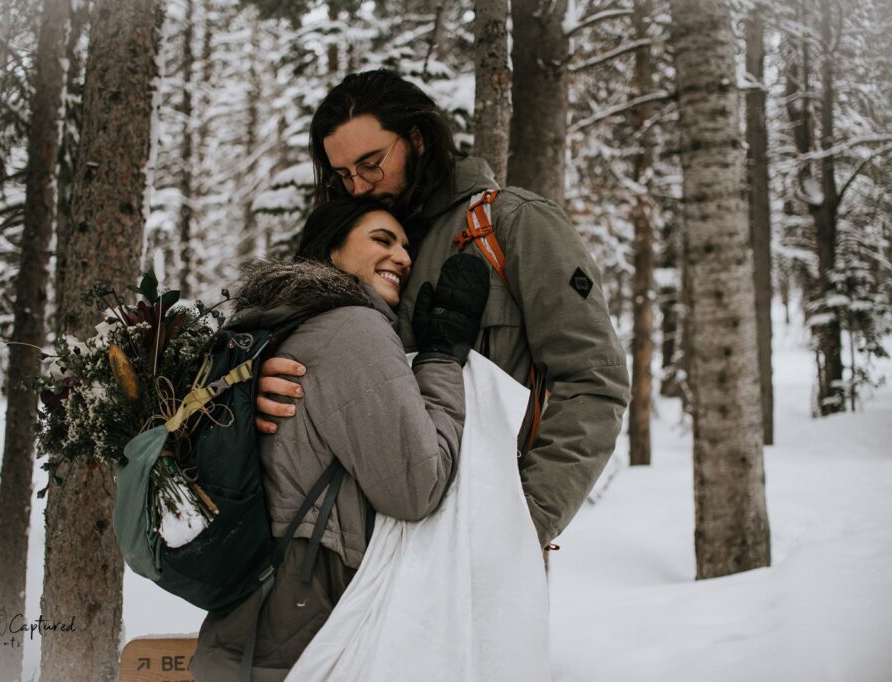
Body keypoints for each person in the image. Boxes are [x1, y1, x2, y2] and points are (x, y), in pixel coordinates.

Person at [257, 69, 630, 551]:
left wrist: (525, 521)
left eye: (371, 163)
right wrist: (270, 381)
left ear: (417, 138)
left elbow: (593, 380)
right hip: (368, 556)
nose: (359, 185)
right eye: (344, 175)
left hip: (483, 540)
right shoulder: (353, 244)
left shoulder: (513, 225)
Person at [190, 197, 490, 679]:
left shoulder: (279, 326)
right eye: (381, 239)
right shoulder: (352, 327)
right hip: (305, 617)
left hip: (252, 611)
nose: (404, 257)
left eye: (406, 246)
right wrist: (441, 358)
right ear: (331, 252)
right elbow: (416, 488)